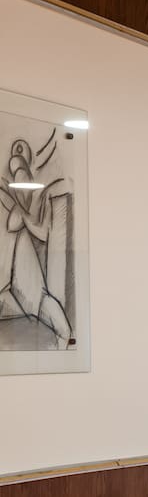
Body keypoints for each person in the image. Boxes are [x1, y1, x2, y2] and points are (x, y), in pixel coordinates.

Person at [0, 129, 73, 346]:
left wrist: (18, 204)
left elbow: (40, 231)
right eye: (16, 174)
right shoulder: (11, 202)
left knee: (65, 331)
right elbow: (13, 224)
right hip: (14, 291)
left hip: (36, 294)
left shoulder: (35, 200)